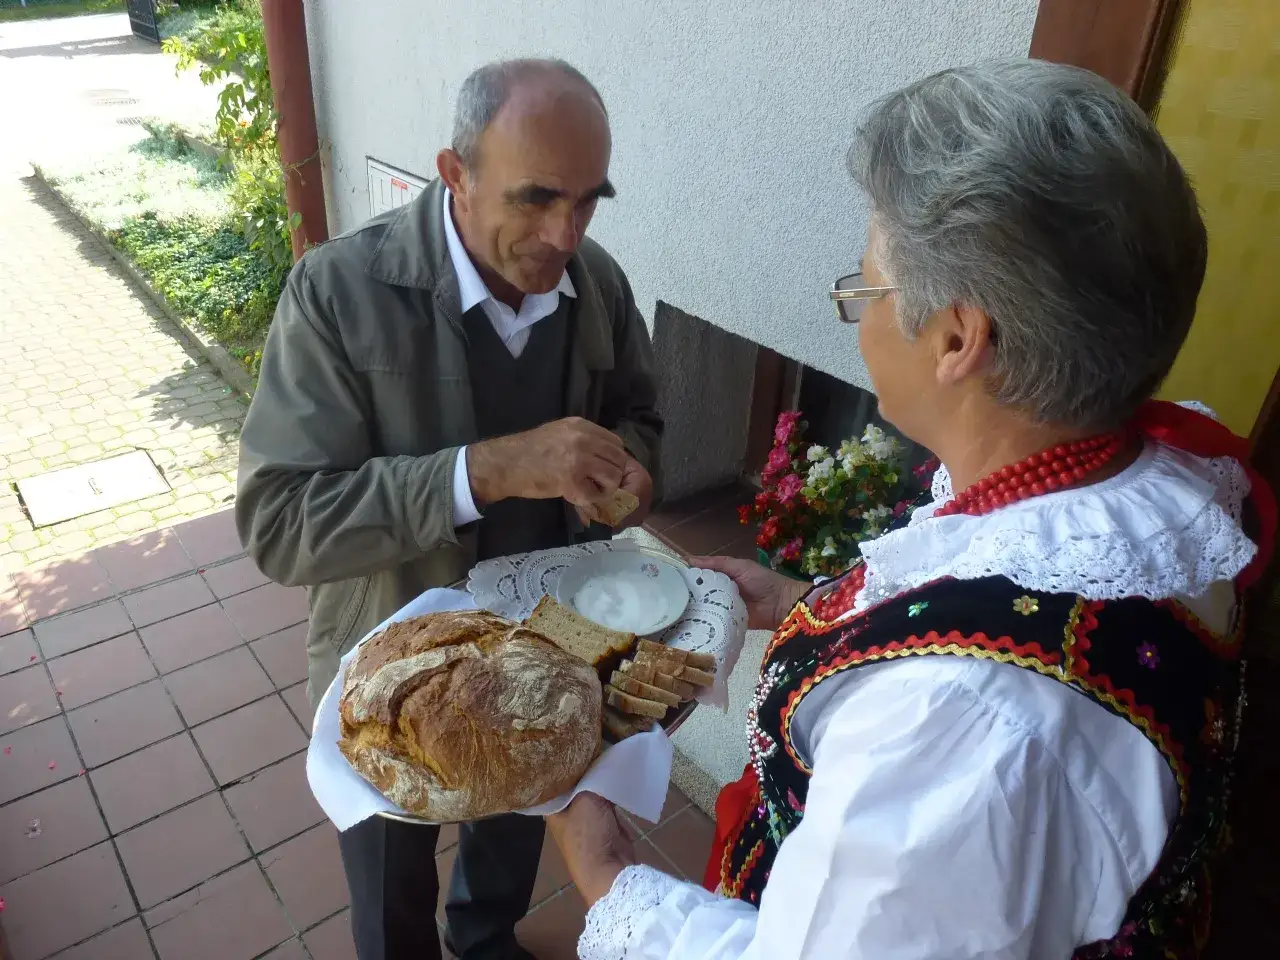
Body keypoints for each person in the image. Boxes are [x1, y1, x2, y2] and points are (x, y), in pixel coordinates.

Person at [545, 59, 1276, 959]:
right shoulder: (1147, 498)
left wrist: (604, 869)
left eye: (864, 287)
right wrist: (805, 600)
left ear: (959, 339)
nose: (855, 313)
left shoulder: (962, 720)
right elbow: (985, 597)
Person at [236, 59, 662, 960]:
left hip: (547, 649)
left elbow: (641, 414)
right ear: (455, 173)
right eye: (537, 198)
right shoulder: (338, 293)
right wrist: (486, 470)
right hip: (391, 671)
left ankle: (484, 939)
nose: (563, 233)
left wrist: (630, 471)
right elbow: (279, 522)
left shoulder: (602, 285)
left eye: (589, 201)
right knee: (390, 878)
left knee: (513, 818)